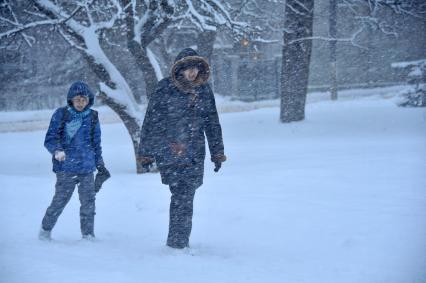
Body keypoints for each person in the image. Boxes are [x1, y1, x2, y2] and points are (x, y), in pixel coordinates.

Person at [138, 48, 227, 249]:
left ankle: (177, 242)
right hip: (171, 150)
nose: (192, 72)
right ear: (179, 69)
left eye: (195, 67)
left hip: (195, 152)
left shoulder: (204, 90)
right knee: (182, 195)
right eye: (188, 68)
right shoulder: (164, 89)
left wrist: (217, 153)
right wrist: (146, 153)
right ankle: (177, 244)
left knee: (186, 195)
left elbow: (212, 122)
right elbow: (152, 121)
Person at [39, 81, 109, 241]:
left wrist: (100, 163)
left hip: (87, 168)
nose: (80, 103)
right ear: (71, 99)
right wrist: (57, 150)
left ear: (88, 100)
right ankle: (45, 230)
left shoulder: (92, 116)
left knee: (88, 204)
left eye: (84, 99)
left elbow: (96, 143)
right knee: (59, 201)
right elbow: (50, 138)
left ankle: (88, 234)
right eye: (77, 99)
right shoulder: (61, 114)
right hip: (66, 168)